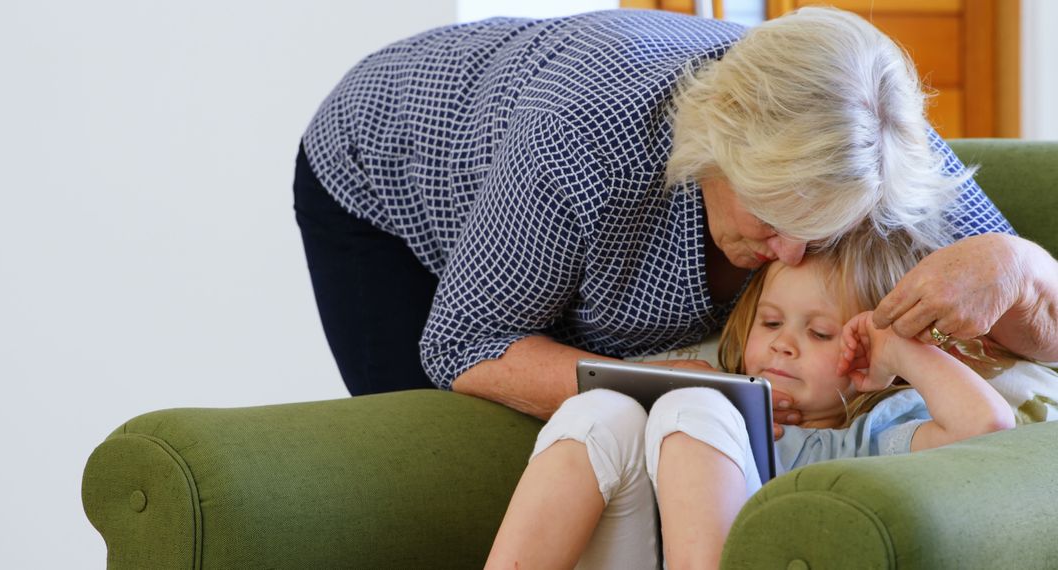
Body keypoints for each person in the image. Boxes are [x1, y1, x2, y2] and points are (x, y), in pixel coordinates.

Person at [293, 7, 1058, 407]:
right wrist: (703, 395)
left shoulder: (868, 134)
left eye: (816, 229)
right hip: (389, 167)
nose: (791, 256)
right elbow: (467, 344)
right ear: (710, 149)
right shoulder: (583, 140)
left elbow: (1047, 333)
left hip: (546, 157)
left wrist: (1018, 266)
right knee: (453, 464)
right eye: (770, 218)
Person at [483, 228, 1018, 569]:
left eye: (823, 334)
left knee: (696, 407)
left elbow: (987, 429)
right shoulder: (699, 391)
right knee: (599, 408)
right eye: (772, 322)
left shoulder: (869, 439)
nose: (784, 343)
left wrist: (898, 348)